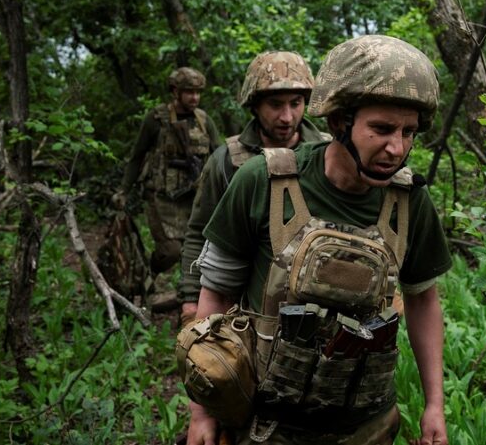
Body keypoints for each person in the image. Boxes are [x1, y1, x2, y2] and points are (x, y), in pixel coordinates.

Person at [188, 35, 450, 445]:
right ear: (337, 122)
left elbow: (423, 300)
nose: (396, 147)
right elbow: (215, 296)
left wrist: (435, 404)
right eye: (380, 129)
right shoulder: (260, 181)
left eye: (409, 132)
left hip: (367, 425)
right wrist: (203, 413)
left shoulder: (410, 201)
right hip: (267, 423)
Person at [178, 51, 330, 325]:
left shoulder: (330, 154)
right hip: (242, 302)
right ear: (255, 105)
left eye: (296, 103)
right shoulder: (226, 161)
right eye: (275, 104)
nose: (286, 117)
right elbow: (200, 231)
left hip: (320, 301)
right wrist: (191, 297)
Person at [114, 67, 221, 278]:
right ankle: (148, 273)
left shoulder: (204, 120)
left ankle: (187, 295)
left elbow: (220, 156)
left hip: (194, 198)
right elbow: (137, 156)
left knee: (199, 251)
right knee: (171, 251)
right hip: (161, 199)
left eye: (198, 92)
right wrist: (123, 191)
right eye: (189, 92)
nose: (195, 97)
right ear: (175, 91)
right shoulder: (156, 119)